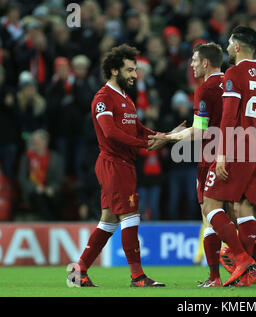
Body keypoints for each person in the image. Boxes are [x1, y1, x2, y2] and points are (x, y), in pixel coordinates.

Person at [67, 44, 165, 288]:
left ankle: (78, 272)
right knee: (130, 216)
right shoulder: (103, 98)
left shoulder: (125, 99)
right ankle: (137, 276)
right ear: (114, 71)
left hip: (123, 164)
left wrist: (163, 136)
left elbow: (138, 127)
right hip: (114, 163)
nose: (135, 75)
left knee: (108, 221)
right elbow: (110, 133)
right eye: (130, 70)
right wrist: (145, 143)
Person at [201, 26, 256, 287]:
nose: (226, 49)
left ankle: (241, 258)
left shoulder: (235, 73)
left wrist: (221, 153)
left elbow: (228, 116)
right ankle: (249, 274)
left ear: (237, 47)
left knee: (210, 204)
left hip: (237, 146)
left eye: (229, 44)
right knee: (244, 207)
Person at [149, 42, 225, 287]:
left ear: (205, 62)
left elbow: (199, 131)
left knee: (209, 215)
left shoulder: (205, 89)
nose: (191, 65)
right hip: (240, 153)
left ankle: (217, 275)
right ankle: (248, 270)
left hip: (212, 157)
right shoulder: (235, 84)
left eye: (194, 61)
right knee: (237, 214)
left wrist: (168, 137)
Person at [18, 129, 64, 221]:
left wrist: (52, 188)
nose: (35, 144)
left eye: (37, 142)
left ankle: (54, 222)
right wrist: (35, 188)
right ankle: (51, 223)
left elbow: (59, 179)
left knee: (53, 198)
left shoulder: (55, 158)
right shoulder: (27, 157)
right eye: (34, 142)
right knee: (39, 197)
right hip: (33, 192)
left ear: (45, 142)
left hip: (49, 191)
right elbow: (22, 178)